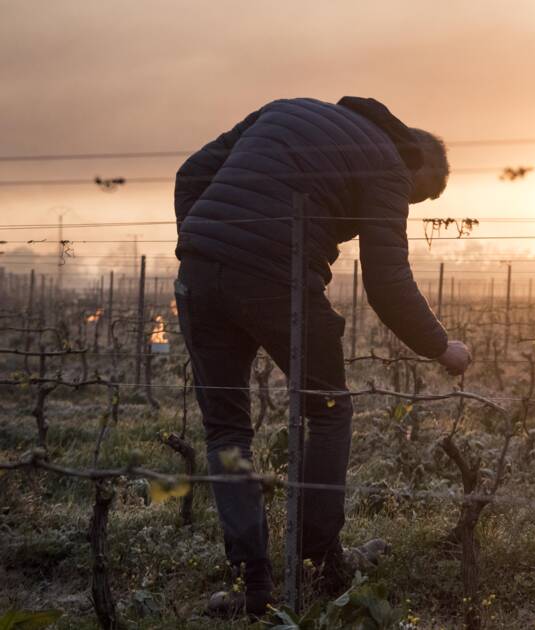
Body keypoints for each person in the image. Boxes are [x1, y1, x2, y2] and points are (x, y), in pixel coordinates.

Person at [172, 96, 471, 617]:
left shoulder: (287, 108)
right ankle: (319, 562)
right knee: (328, 411)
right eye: (417, 197)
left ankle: (253, 587)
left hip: (198, 269)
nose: (408, 204)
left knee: (226, 431)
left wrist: (203, 243)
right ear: (418, 162)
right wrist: (441, 346)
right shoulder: (392, 161)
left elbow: (191, 172)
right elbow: (386, 279)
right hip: (275, 278)